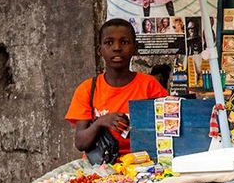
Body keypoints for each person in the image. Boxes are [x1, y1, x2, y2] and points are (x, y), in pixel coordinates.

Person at [66, 18, 168, 158]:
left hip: (143, 163)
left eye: (124, 42)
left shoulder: (150, 86)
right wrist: (100, 122)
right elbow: (81, 143)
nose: (117, 48)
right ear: (100, 50)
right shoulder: (87, 89)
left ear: (135, 48)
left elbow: (166, 131)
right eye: (109, 42)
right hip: (99, 167)